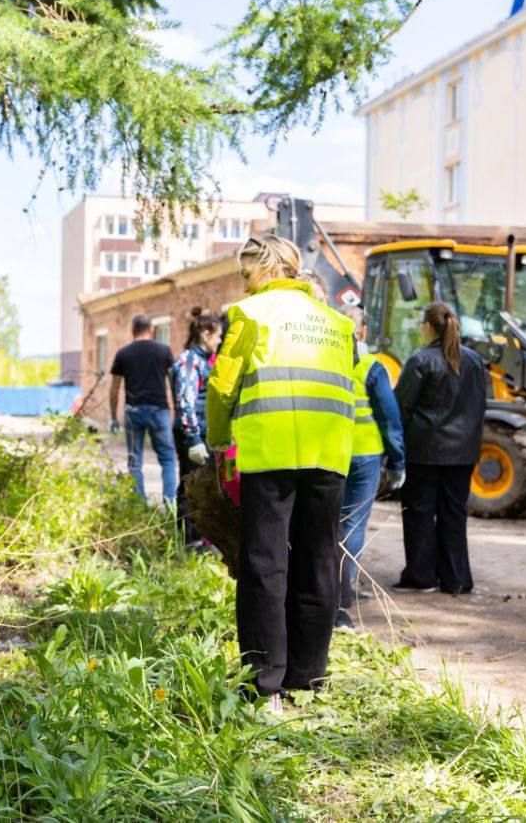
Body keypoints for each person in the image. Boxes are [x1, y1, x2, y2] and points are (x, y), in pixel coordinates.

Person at [206, 234, 356, 717]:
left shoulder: (249, 315)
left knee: (265, 565)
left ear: (266, 269)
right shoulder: (337, 322)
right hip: (328, 453)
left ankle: (265, 683)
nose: (244, 284)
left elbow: (222, 386)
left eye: (246, 274)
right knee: (319, 561)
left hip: (270, 452)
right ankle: (308, 677)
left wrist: (216, 439)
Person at [392, 302, 485, 595]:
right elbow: (480, 405)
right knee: (454, 514)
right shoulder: (474, 360)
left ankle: (421, 576)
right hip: (463, 452)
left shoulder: (420, 360)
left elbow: (401, 406)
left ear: (428, 326)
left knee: (419, 512)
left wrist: (395, 446)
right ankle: (456, 577)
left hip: (424, 451)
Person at [335, 306, 406, 632]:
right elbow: (389, 418)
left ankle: (326, 590)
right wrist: (398, 462)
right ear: (361, 332)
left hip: (328, 453)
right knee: (353, 526)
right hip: (364, 456)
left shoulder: (325, 364)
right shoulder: (371, 367)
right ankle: (342, 596)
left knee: (329, 524)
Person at [109, 314, 178, 505]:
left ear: (133, 330)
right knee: (167, 459)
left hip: (133, 412)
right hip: (159, 411)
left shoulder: (123, 354)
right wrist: (178, 410)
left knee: (134, 461)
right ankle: (170, 504)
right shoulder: (163, 351)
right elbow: (174, 383)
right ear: (151, 330)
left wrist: (113, 417)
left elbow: (114, 388)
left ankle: (140, 506)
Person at [171, 307, 223, 551]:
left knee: (203, 488)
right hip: (192, 435)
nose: (220, 340)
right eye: (218, 335)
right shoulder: (190, 362)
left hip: (202, 433)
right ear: (205, 333)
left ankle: (200, 539)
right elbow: (185, 401)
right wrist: (193, 438)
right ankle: (188, 541)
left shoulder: (201, 361)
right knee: (191, 488)